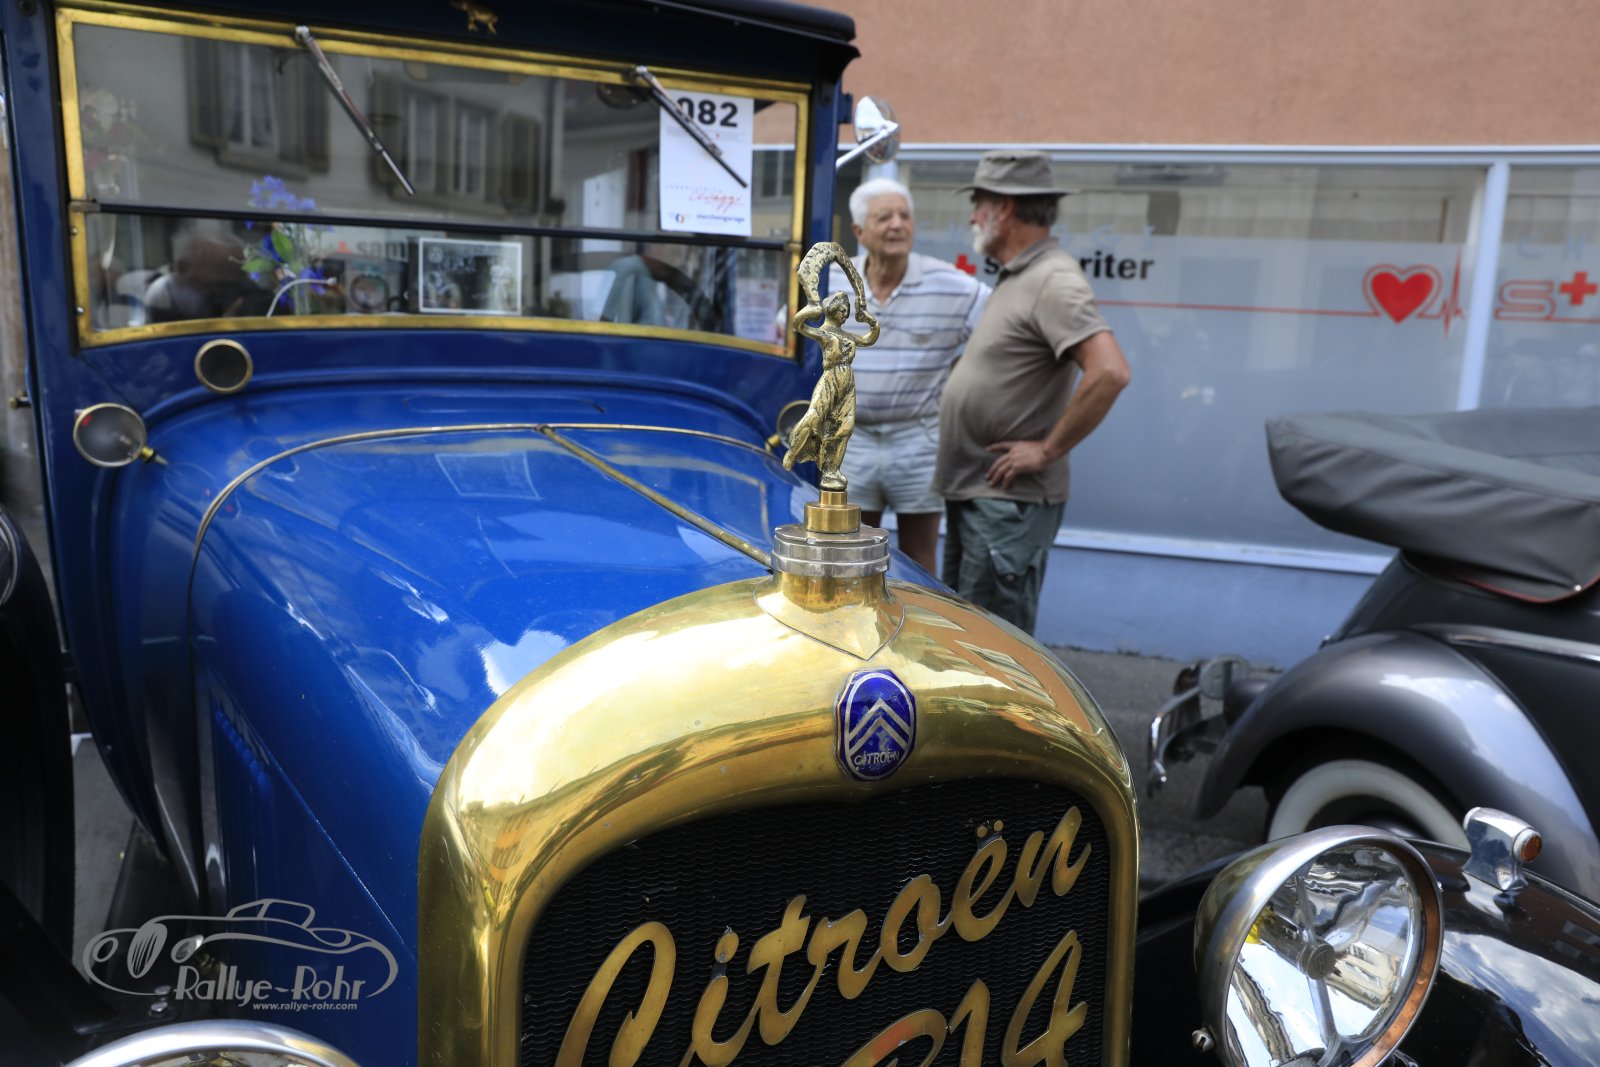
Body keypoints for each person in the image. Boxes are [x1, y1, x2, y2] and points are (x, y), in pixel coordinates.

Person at [935, 151, 1131, 635]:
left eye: (978, 204)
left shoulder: (1053, 279)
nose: (972, 217)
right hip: (982, 497)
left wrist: (1046, 451)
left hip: (1006, 505)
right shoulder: (1021, 275)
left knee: (992, 649)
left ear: (1004, 208)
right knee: (965, 640)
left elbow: (1110, 371)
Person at [841, 178, 990, 574]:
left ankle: (920, 615)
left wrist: (962, 382)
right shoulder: (834, 279)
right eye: (884, 217)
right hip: (850, 438)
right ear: (859, 231)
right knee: (850, 553)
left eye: (905, 216)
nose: (897, 225)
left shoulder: (953, 285)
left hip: (918, 435)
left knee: (919, 558)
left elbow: (1000, 339)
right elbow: (790, 332)